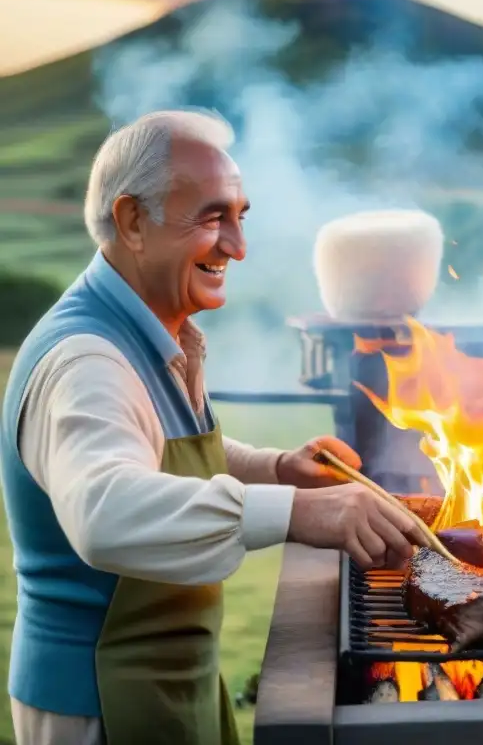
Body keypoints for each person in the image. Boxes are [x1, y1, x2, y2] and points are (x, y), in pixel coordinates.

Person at [0, 110, 428, 745]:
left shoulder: (150, 333)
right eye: (211, 217)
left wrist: (279, 467)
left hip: (171, 677)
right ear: (131, 221)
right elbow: (106, 508)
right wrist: (298, 513)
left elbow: (162, 453)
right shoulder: (88, 360)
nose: (237, 246)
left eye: (240, 216)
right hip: (103, 695)